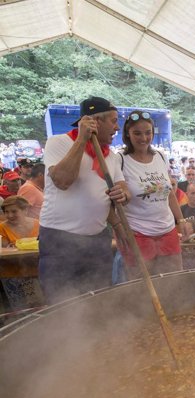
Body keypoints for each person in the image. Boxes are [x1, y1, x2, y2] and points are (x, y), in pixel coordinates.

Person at [39, 96, 130, 304]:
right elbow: (62, 180)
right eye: (114, 120)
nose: (117, 127)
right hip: (60, 240)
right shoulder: (59, 142)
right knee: (61, 303)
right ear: (95, 121)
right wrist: (82, 139)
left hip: (97, 240)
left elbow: (122, 186)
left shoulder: (112, 156)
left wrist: (123, 194)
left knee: (97, 301)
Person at [115, 110, 186, 278]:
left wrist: (181, 219)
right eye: (137, 133)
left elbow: (168, 193)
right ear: (127, 133)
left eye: (148, 133)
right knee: (142, 286)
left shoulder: (161, 156)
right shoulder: (120, 159)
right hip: (138, 233)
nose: (144, 138)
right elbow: (115, 199)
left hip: (167, 230)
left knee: (174, 281)